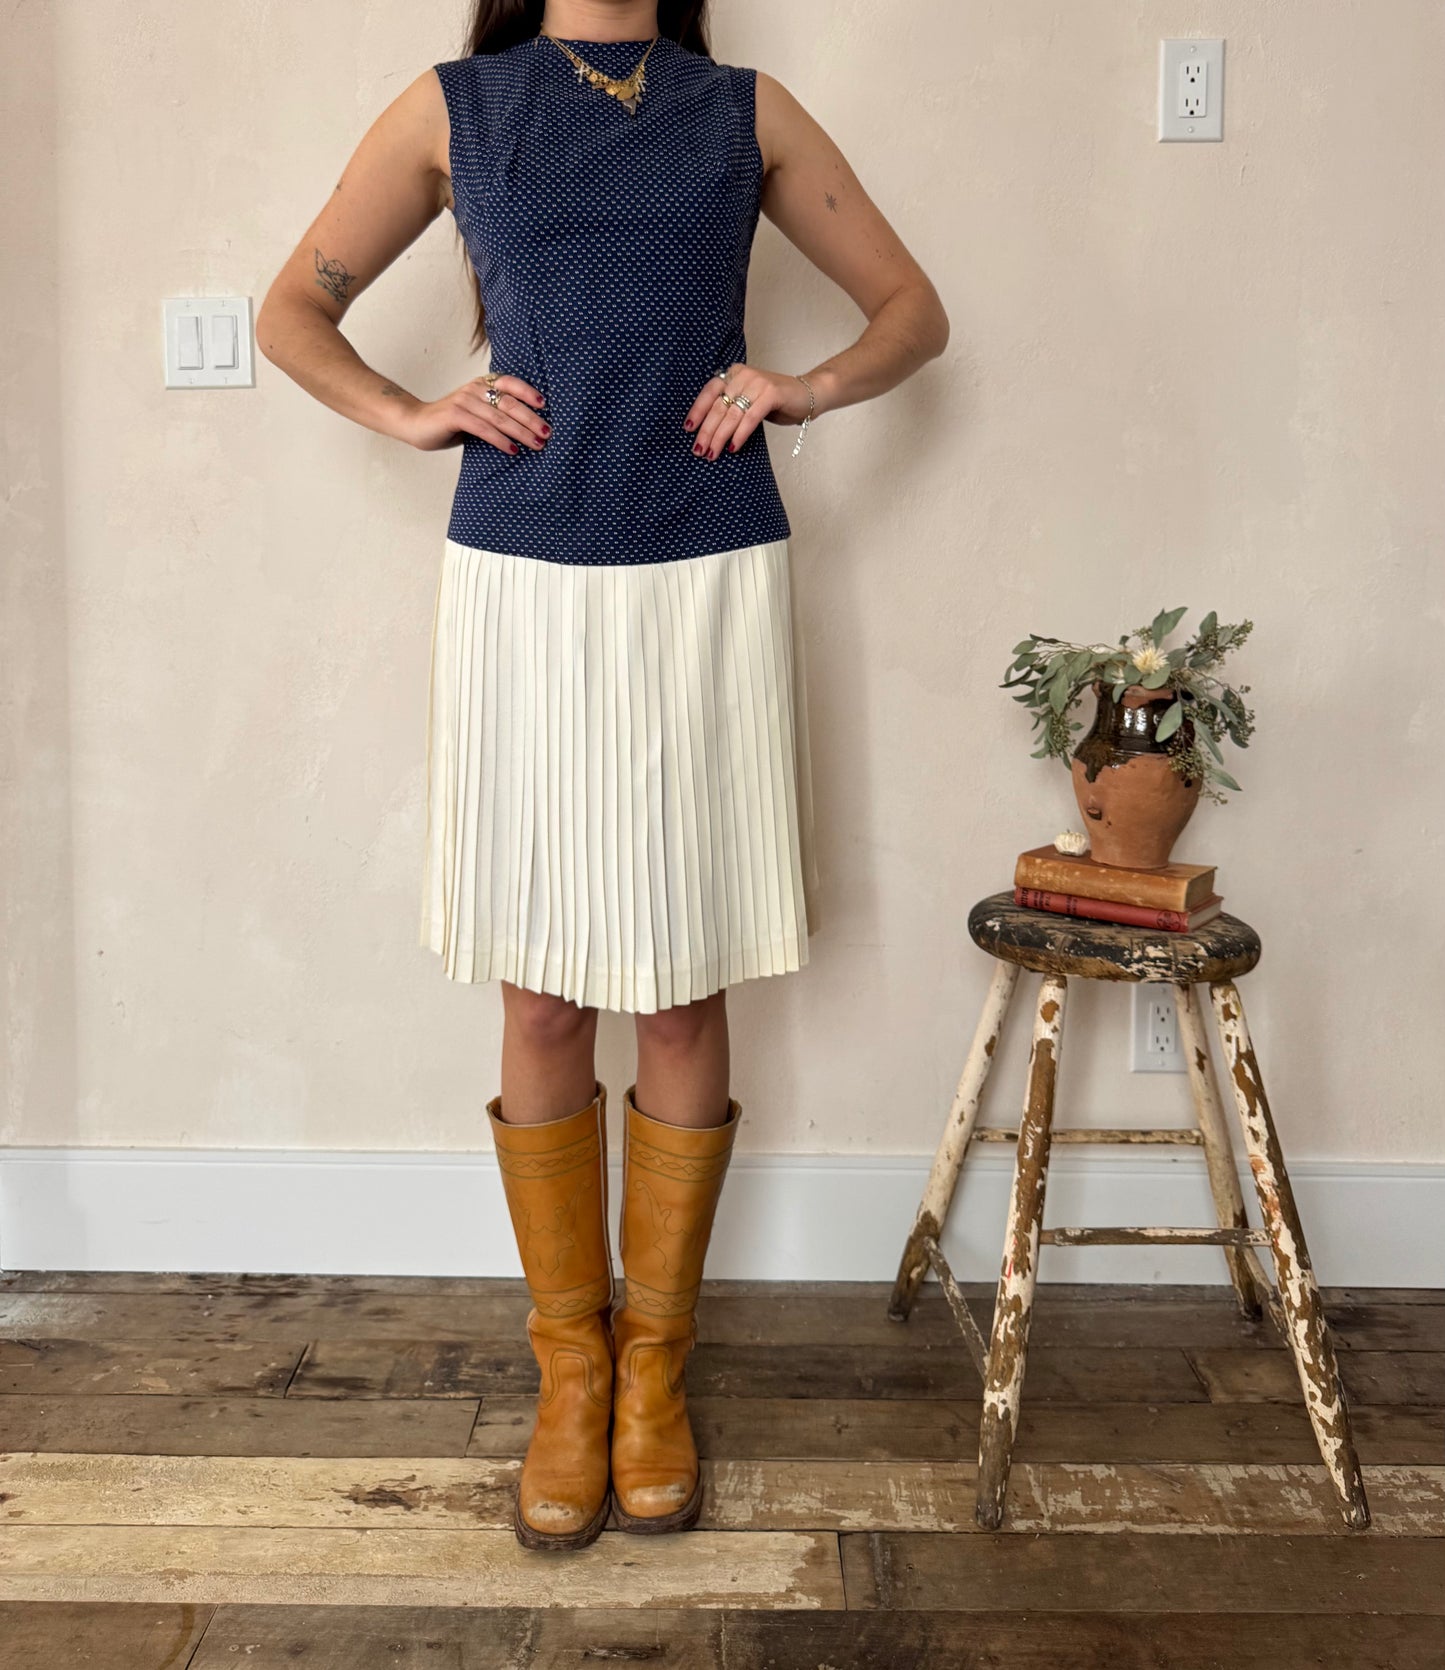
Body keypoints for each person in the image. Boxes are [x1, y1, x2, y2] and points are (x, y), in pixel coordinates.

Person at [257, 0, 948, 1551]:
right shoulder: (459, 109)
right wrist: (412, 410)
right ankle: (570, 1371)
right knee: (542, 991)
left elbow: (911, 309)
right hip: (526, 586)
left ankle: (656, 1378)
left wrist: (801, 388)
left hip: (704, 581)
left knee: (687, 987)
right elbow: (291, 313)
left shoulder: (739, 112)